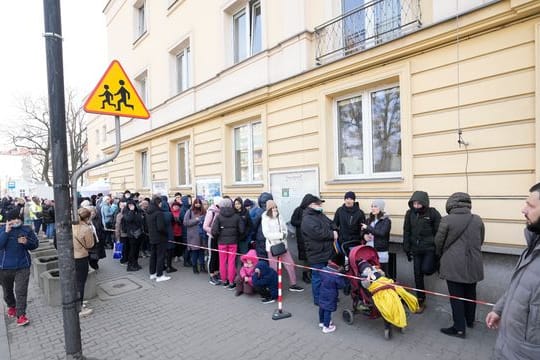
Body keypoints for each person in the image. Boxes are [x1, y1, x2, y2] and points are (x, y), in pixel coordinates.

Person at [485, 183, 540, 359]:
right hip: (508, 345)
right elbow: (518, 288)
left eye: (531, 206)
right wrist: (499, 309)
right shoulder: (533, 246)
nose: (523, 210)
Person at [435, 192, 484, 338]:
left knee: (456, 296)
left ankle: (459, 328)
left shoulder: (447, 220)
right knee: (470, 294)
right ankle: (470, 321)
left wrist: (441, 255)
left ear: (451, 204)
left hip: (453, 264)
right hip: (474, 262)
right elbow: (481, 240)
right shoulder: (477, 219)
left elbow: (438, 242)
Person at [402, 191, 441, 312]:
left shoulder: (433, 213)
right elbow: (407, 231)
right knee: (417, 274)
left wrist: (437, 248)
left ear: (424, 203)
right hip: (416, 249)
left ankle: (437, 265)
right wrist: (406, 247)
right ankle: (420, 300)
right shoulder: (409, 214)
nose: (416, 206)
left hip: (429, 249)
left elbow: (439, 232)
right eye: (414, 203)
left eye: (419, 203)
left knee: (426, 269)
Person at [0, 209, 39, 326]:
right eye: (13, 219)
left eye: (18, 218)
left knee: (21, 291)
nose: (16, 221)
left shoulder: (26, 229)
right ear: (8, 221)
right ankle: (12, 306)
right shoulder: (2, 230)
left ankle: (21, 315)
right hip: (4, 267)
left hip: (22, 266)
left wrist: (26, 242)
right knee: (7, 291)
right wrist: (6, 232)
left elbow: (35, 244)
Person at [301, 194, 338, 306]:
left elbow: (332, 223)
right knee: (317, 278)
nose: (321, 205)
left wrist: (335, 229)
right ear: (311, 205)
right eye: (318, 203)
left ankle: (328, 296)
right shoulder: (307, 219)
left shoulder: (320, 214)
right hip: (316, 254)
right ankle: (318, 299)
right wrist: (332, 234)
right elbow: (318, 233)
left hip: (327, 252)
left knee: (328, 276)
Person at [262, 200, 304, 292]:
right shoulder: (265, 218)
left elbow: (285, 228)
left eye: (275, 207)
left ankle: (293, 284)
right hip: (272, 247)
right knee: (273, 268)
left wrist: (285, 234)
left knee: (291, 264)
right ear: (268, 209)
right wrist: (280, 235)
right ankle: (274, 286)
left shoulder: (279, 216)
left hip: (283, 246)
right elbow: (266, 234)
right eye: (272, 208)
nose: (275, 209)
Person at [211, 199, 245, 290]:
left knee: (222, 262)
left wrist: (218, 236)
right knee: (231, 262)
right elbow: (242, 230)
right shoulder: (236, 216)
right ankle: (231, 282)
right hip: (233, 242)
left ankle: (224, 281)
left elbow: (214, 231)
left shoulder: (218, 216)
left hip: (221, 242)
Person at [72, 207, 95, 317]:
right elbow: (90, 245)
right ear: (87, 217)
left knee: (75, 281)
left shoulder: (70, 225)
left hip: (71, 257)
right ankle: (79, 307)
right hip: (81, 257)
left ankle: (77, 301)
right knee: (81, 282)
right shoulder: (86, 228)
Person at [361, 199, 391, 276]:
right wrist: (364, 236)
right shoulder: (369, 219)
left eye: (375, 206)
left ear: (381, 208)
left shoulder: (386, 220)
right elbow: (363, 232)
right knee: (371, 274)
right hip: (369, 250)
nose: (373, 208)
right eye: (372, 206)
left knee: (382, 273)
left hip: (381, 251)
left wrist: (368, 228)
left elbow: (382, 233)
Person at [318, 252, 346, 334]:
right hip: (331, 294)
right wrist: (340, 273)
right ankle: (326, 327)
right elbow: (342, 285)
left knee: (322, 307)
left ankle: (321, 322)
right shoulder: (336, 275)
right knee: (328, 309)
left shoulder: (324, 269)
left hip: (322, 291)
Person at [146, 196, 171, 282]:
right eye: (160, 203)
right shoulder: (158, 213)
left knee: (153, 256)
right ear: (158, 203)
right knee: (160, 256)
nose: (161, 205)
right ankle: (159, 275)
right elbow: (161, 227)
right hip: (160, 238)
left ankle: (152, 273)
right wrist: (166, 233)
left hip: (152, 237)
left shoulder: (148, 212)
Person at [290, 194, 312, 284]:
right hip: (302, 237)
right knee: (305, 258)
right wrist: (303, 222)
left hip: (311, 237)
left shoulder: (312, 210)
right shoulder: (298, 210)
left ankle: (311, 273)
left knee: (311, 256)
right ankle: (305, 274)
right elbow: (293, 221)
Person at [183, 198, 206, 274]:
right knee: (195, 252)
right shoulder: (189, 211)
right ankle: (194, 267)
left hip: (202, 235)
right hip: (193, 236)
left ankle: (202, 267)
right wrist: (196, 220)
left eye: (199, 203)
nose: (198, 204)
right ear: (194, 204)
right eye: (196, 203)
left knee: (201, 252)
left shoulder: (203, 211)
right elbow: (185, 223)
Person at [121, 200, 144, 272]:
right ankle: (130, 266)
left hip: (139, 233)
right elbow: (129, 219)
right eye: (129, 205)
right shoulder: (126, 212)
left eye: (132, 204)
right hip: (131, 234)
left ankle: (135, 263)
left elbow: (140, 220)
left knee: (137, 250)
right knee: (132, 250)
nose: (131, 206)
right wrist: (131, 211)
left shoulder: (138, 211)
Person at [250, 192, 274, 258]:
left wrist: (253, 236)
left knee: (262, 256)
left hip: (261, 237)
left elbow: (253, 225)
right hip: (272, 236)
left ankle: (263, 266)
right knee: (272, 254)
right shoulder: (274, 210)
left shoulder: (259, 211)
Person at [203, 197, 221, 285]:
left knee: (217, 256)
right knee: (212, 256)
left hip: (219, 237)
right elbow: (205, 226)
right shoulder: (211, 212)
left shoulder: (220, 211)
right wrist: (214, 231)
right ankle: (211, 275)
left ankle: (217, 273)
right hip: (212, 237)